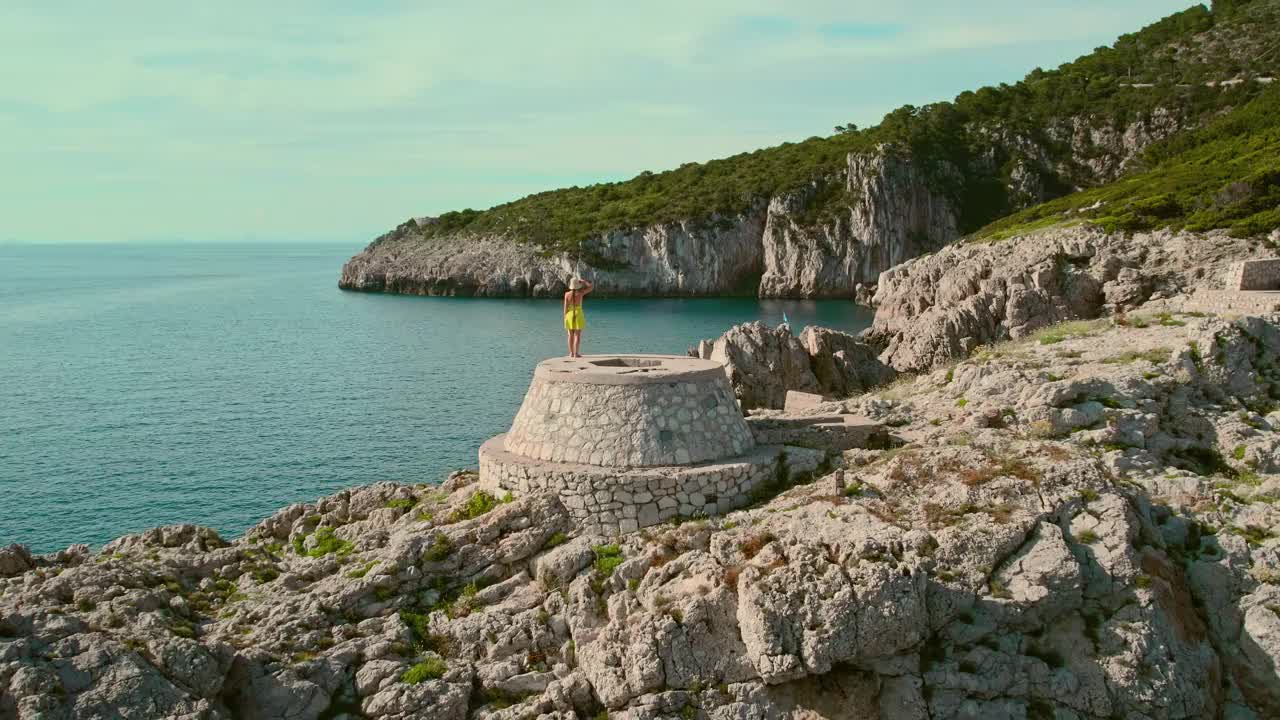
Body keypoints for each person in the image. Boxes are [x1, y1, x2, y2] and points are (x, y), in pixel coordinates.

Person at [563, 277, 593, 358]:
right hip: (578, 314)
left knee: (570, 335)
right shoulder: (580, 293)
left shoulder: (566, 294)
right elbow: (591, 287)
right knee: (577, 335)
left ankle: (571, 353)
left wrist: (565, 318)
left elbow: (565, 308)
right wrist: (584, 281)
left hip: (569, 315)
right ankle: (576, 353)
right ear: (577, 285)